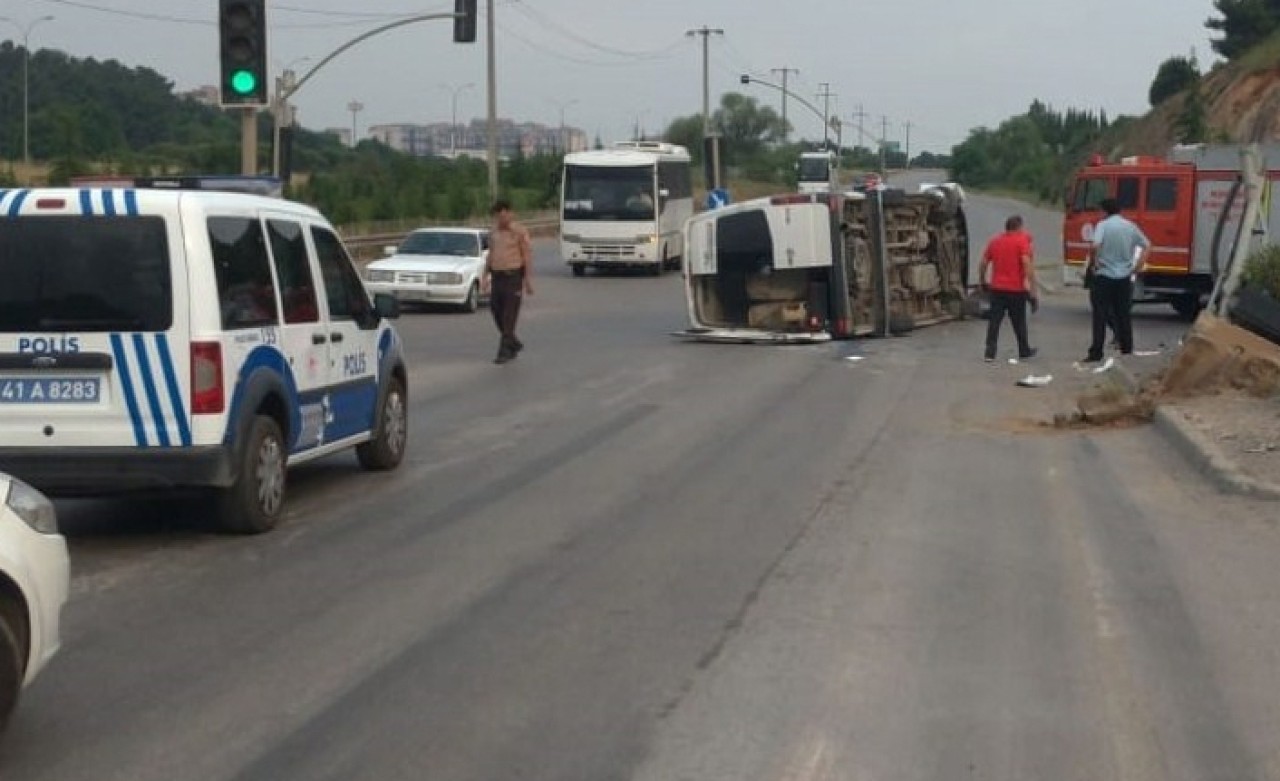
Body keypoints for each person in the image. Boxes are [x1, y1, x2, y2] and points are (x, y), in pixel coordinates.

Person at [1084, 198, 1150, 363]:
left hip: (1105, 275)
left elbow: (1095, 245)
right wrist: (1137, 266)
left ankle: (1096, 352)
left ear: (1105, 211)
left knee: (1100, 314)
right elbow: (1147, 245)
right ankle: (1127, 348)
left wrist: (1095, 262)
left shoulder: (1103, 225)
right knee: (1123, 314)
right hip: (1124, 277)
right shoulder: (1130, 226)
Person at [979, 215, 1039, 362]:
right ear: (1019, 227)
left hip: (997, 289)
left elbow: (983, 263)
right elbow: (1026, 264)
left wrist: (982, 280)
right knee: (1019, 322)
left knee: (995, 321)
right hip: (1016, 290)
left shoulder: (995, 241)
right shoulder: (1021, 242)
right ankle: (1023, 350)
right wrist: (1033, 291)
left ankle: (990, 352)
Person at [481, 200, 534, 365]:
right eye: (498, 215)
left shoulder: (519, 232)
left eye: (505, 214)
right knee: (496, 310)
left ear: (511, 214)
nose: (502, 219)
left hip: (513, 277)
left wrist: (528, 280)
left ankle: (504, 350)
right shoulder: (493, 233)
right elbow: (491, 255)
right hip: (497, 277)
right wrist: (484, 277)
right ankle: (513, 341)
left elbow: (526, 256)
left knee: (509, 314)